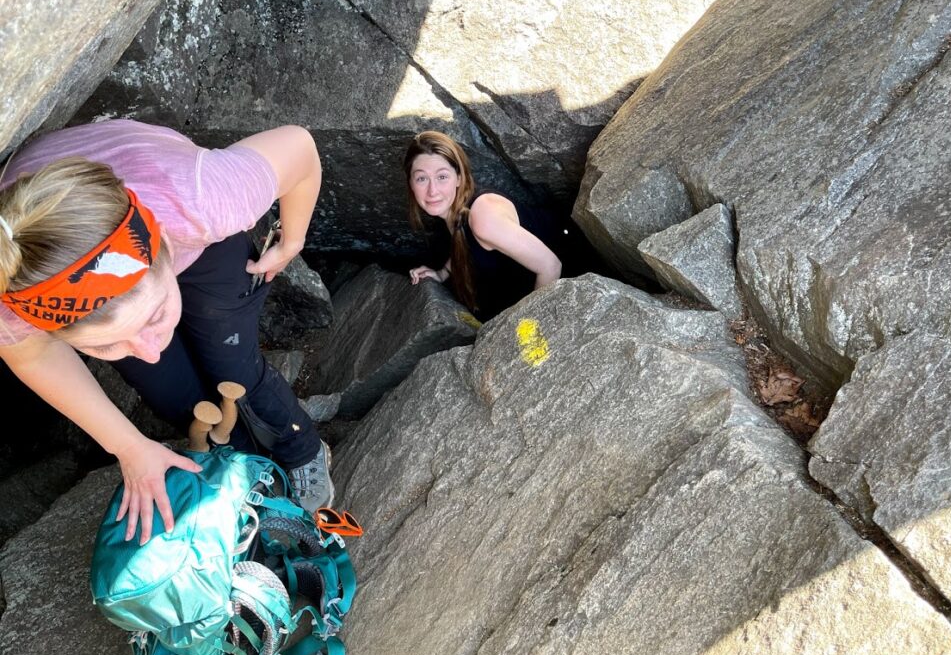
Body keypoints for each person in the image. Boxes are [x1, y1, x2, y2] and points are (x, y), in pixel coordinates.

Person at [0, 119, 333, 544]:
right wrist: (130, 448)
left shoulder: (200, 200)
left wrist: (292, 241)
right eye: (103, 345)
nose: (149, 350)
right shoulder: (9, 289)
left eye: (154, 317)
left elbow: (300, 147)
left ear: (165, 250)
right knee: (172, 392)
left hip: (203, 248)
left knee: (233, 364)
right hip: (74, 238)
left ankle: (301, 448)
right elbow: (30, 354)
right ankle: (239, 460)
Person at [404, 131, 562, 320]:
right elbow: (464, 242)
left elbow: (550, 266)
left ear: (459, 178)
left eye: (442, 177)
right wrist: (442, 273)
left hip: (573, 274)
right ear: (411, 184)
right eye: (422, 178)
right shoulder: (456, 211)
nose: (432, 190)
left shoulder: (484, 218)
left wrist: (528, 327)